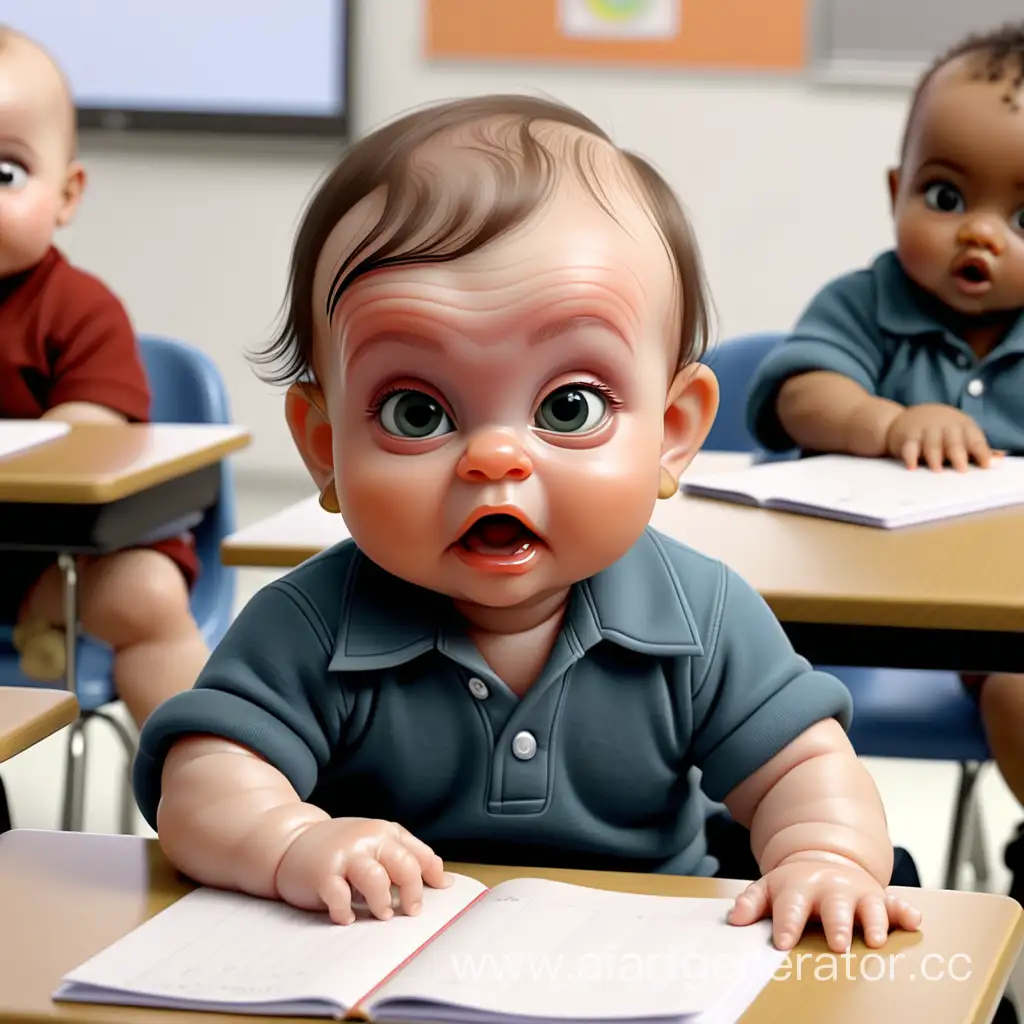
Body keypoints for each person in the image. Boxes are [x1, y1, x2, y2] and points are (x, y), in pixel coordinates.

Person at [133, 94, 921, 955]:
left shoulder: (702, 616)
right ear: (326, 448)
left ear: (676, 431)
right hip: (383, 962)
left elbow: (804, 769)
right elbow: (201, 783)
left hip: (643, 968)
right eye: (415, 411)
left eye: (570, 406)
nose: (494, 459)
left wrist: (824, 856)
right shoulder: (311, 625)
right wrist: (289, 841)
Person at [745, 22, 1024, 916]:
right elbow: (800, 395)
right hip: (866, 610)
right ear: (896, 189)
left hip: (1007, 614)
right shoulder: (865, 301)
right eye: (945, 195)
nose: (979, 234)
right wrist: (890, 419)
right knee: (733, 689)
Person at [0, 26, 209, 737]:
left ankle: (202, 774)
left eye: (6, 173)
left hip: (74, 554)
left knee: (147, 596)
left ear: (67, 193)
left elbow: (93, 433)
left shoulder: (78, 308)